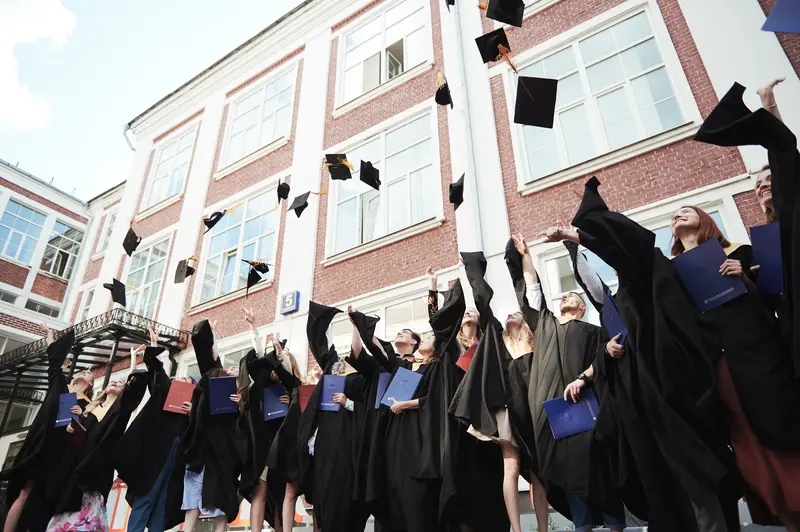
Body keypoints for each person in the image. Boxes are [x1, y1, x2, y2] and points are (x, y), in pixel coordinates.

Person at [568, 176, 748, 531]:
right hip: (645, 392)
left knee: (700, 467)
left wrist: (591, 228)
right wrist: (604, 353)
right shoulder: (620, 300)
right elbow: (595, 289)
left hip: (687, 376)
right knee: (669, 473)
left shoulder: (668, 271)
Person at [670, 205, 800, 530]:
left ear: (705, 218)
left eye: (686, 210)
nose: (678, 214)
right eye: (674, 215)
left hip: (761, 362)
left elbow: (776, 303)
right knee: (751, 453)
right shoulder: (672, 275)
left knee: (782, 439)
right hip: (720, 372)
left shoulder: (740, 251)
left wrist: (743, 276)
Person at [508, 236, 624, 532]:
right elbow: (533, 290)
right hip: (551, 411)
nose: (566, 298)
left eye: (573, 296)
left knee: (598, 467)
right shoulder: (544, 323)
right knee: (566, 472)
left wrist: (583, 380)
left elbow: (601, 361)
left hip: (586, 407)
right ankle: (582, 527)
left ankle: (615, 525)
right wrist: (526, 257)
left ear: (583, 308)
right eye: (564, 296)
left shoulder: (592, 330)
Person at [694, 78, 799, 378]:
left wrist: (768, 104)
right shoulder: (766, 236)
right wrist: (754, 277)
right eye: (756, 185)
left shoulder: (793, 203)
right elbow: (770, 295)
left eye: (767, 181)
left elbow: (785, 155)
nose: (762, 187)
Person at [448, 245, 549, 532]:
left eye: (516, 314)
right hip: (507, 409)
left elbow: (532, 297)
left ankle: (543, 528)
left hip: (533, 408)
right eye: (508, 315)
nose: (510, 316)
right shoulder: (497, 342)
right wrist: (472, 268)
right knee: (511, 466)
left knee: (539, 473)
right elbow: (482, 301)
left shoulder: (537, 342)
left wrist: (525, 259)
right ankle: (516, 529)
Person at [354, 278, 465, 532]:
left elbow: (437, 400)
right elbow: (378, 352)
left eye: (428, 337)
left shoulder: (438, 368)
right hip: (395, 436)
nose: (428, 338)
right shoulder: (404, 366)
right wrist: (359, 323)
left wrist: (432, 289)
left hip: (419, 439)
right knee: (395, 490)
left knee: (416, 498)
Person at [46, 343, 148, 531]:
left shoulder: (118, 411)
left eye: (119, 383)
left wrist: (134, 359)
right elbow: (74, 429)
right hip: (77, 462)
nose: (114, 383)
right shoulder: (90, 408)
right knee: (66, 506)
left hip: (98, 466)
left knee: (88, 513)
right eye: (112, 382)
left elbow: (133, 387)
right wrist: (72, 426)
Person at [1, 326, 91, 532]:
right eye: (81, 370)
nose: (84, 372)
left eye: (88, 373)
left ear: (91, 383)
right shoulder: (60, 384)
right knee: (25, 492)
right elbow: (54, 361)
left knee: (46, 499)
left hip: (61, 453)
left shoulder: (88, 405)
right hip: (42, 442)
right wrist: (50, 338)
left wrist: (79, 417)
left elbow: (84, 433)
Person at [164, 320, 248, 532]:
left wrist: (240, 406)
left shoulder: (242, 396)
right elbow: (211, 359)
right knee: (192, 498)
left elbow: (243, 426)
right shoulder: (212, 382)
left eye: (235, 367)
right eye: (227, 366)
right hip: (202, 448)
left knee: (222, 499)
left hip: (224, 453)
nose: (230, 367)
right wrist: (212, 333)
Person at [113, 324, 193, 532]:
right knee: (147, 496)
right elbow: (158, 372)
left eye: (188, 381)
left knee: (164, 501)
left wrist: (192, 411)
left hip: (179, 455)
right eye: (180, 379)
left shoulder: (194, 407)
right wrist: (155, 345)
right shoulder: (165, 393)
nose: (184, 381)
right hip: (158, 452)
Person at [296, 301, 367, 532]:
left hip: (346, 439)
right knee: (324, 490)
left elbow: (367, 410)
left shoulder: (362, 377)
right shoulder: (331, 369)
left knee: (343, 492)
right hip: (325, 439)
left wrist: (347, 403)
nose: (344, 361)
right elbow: (321, 344)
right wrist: (323, 318)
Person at [240, 309, 300, 532]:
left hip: (284, 446)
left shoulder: (292, 389)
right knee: (261, 490)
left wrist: (290, 403)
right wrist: (254, 328)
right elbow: (255, 358)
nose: (275, 370)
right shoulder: (260, 388)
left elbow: (291, 380)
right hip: (263, 446)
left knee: (283, 492)